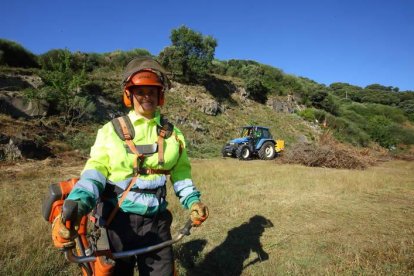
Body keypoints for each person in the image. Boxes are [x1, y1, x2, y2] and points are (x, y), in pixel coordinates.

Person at [52, 56, 209, 275]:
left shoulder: (174, 135)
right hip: (117, 221)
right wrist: (79, 204)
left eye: (152, 91)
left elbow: (181, 174)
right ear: (129, 95)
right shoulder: (110, 131)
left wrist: (193, 201)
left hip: (157, 222)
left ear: (160, 95)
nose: (147, 96)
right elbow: (94, 172)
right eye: (140, 91)